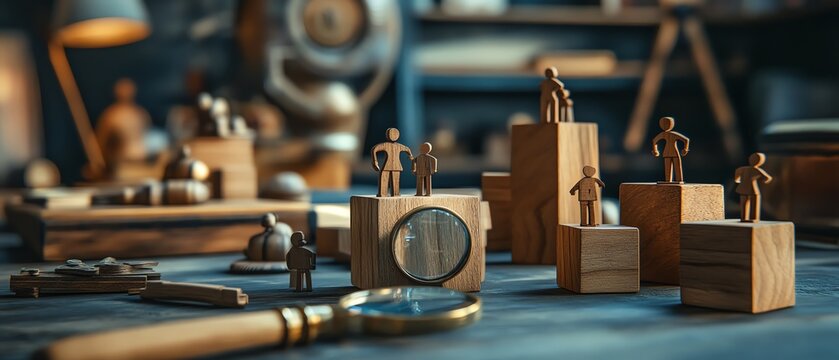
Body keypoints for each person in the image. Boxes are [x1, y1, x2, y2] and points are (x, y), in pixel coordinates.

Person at [371, 128, 413, 197]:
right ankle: (383, 194)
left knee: (395, 182)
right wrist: (375, 161)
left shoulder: (398, 146)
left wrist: (410, 156)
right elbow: (375, 149)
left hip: (394, 166)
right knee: (384, 181)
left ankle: (394, 194)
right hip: (389, 166)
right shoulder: (387, 145)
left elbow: (407, 149)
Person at [734, 152, 773, 222]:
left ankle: (744, 218)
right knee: (754, 204)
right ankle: (753, 218)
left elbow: (736, 179)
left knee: (744, 204)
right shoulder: (757, 170)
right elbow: (768, 178)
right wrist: (764, 181)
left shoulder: (741, 169)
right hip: (753, 189)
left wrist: (738, 180)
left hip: (742, 189)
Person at [651, 117, 690, 183]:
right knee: (669, 167)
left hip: (670, 152)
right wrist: (685, 149)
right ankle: (670, 180)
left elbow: (686, 140)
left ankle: (677, 180)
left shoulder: (668, 134)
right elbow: (686, 140)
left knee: (674, 167)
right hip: (670, 152)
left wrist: (685, 149)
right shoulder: (666, 134)